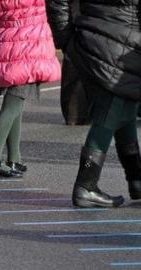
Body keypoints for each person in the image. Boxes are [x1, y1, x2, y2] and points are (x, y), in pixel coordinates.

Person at [47, 0, 141, 207]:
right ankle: (86, 185)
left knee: (124, 107)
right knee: (110, 113)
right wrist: (64, 38)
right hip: (118, 42)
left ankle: (136, 178)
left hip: (99, 38)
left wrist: (65, 38)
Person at [0, 0, 61, 177]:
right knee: (12, 107)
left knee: (16, 104)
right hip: (30, 50)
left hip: (3, 49)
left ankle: (14, 158)